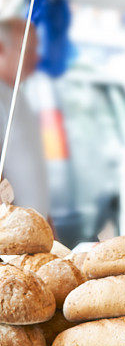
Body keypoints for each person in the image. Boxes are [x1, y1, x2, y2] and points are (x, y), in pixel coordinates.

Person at [0, 18, 49, 216]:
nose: (36, 58)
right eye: (28, 50)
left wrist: (46, 221)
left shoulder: (16, 94)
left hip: (33, 232)